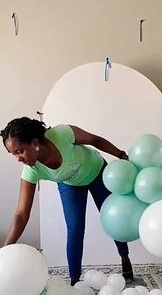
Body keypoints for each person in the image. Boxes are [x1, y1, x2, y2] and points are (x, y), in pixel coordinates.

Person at [0, 117, 133, 285]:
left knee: (112, 220)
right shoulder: (31, 171)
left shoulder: (61, 134)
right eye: (14, 154)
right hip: (70, 184)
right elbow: (21, 214)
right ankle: (75, 281)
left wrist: (121, 155)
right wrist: (5, 251)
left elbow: (94, 140)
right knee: (75, 230)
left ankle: (124, 257)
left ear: (34, 143)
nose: (18, 158)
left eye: (20, 151)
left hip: (97, 172)